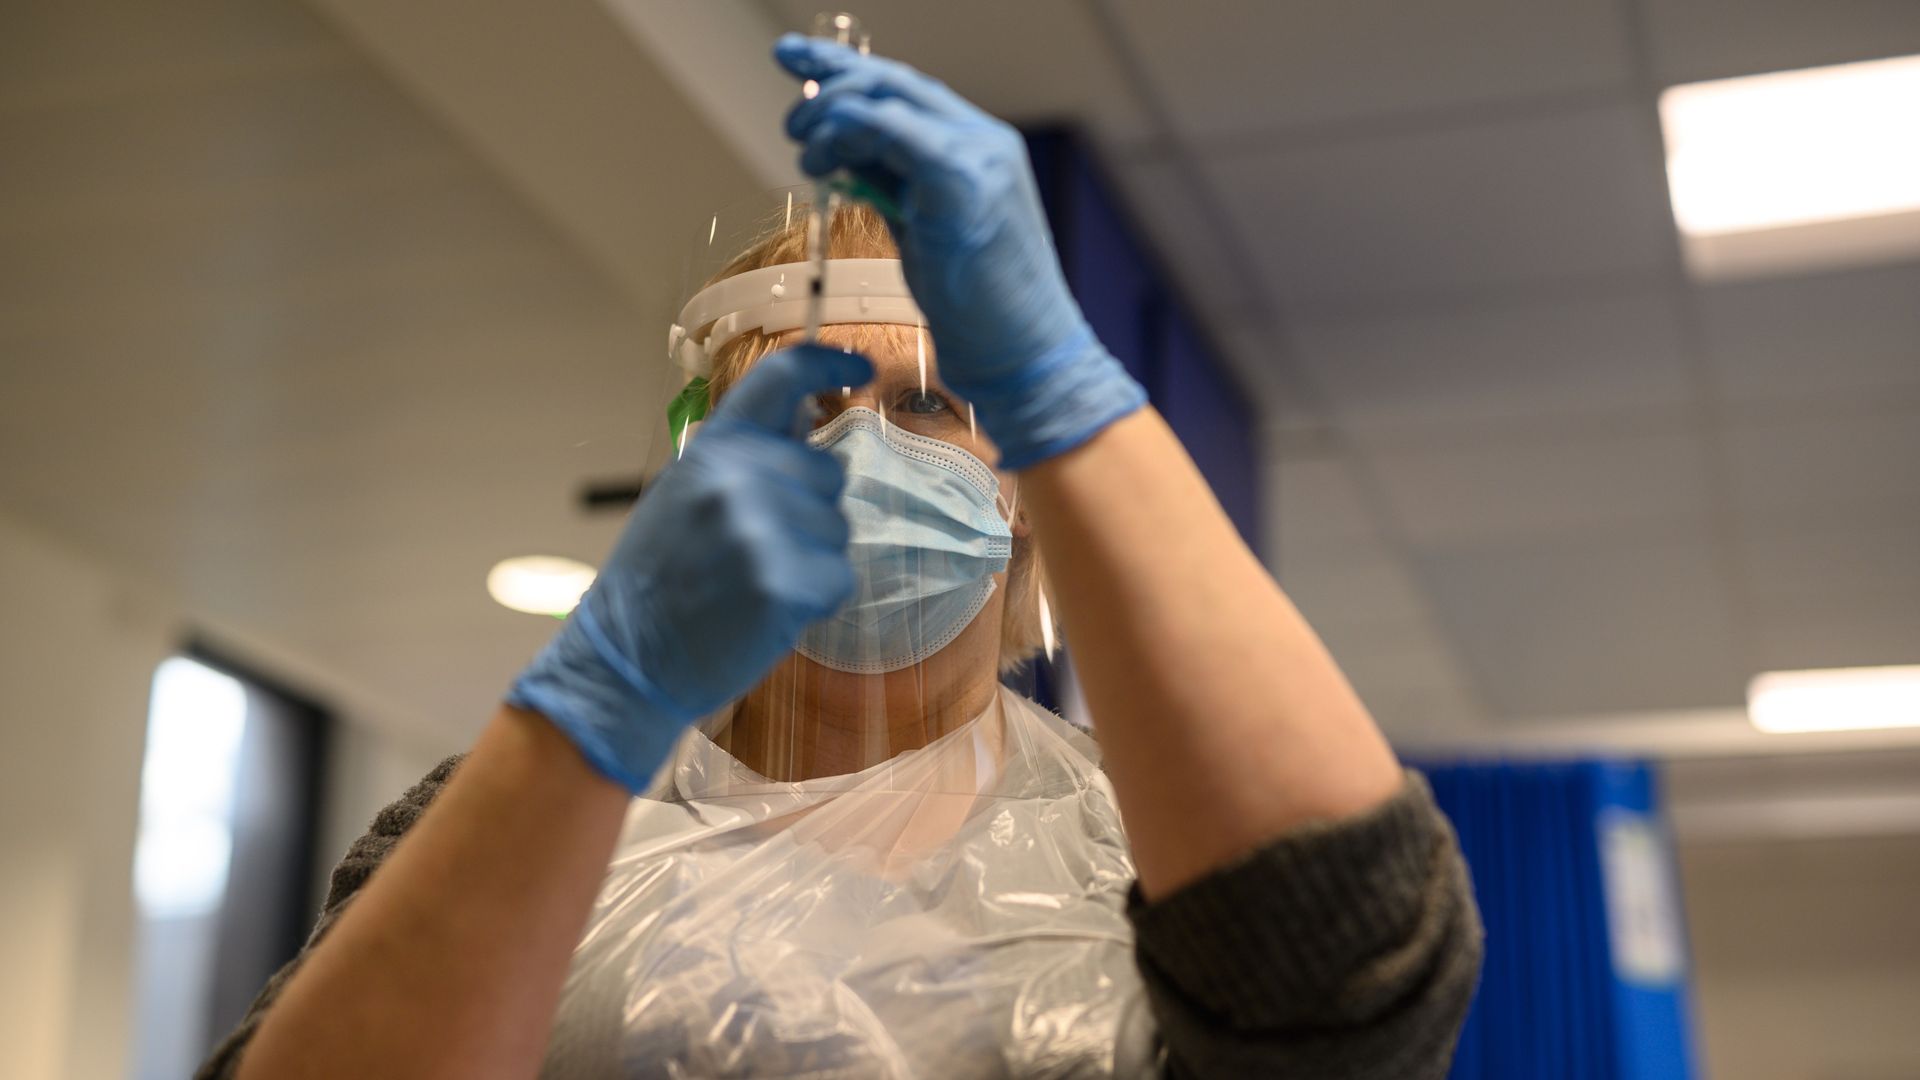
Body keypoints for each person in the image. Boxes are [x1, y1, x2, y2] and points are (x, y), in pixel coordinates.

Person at [202, 36, 1482, 1080]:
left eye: (928, 407)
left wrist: (1060, 383)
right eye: (809, 408)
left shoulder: (1150, 839)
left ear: (1025, 482)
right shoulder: (512, 824)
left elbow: (1354, 1001)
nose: (865, 456)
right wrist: (593, 705)